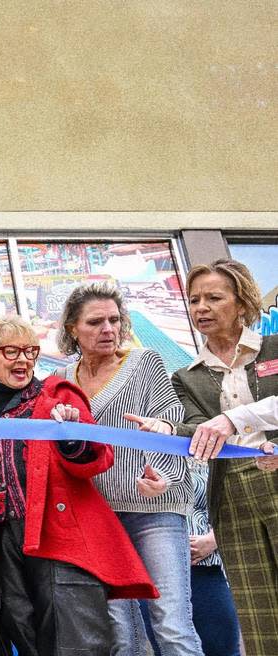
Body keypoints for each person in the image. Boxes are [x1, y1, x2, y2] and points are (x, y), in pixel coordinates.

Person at [0, 316, 157, 656]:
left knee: (78, 639)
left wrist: (72, 439)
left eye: (30, 351)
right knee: (24, 634)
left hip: (58, 534)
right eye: (11, 351)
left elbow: (98, 458)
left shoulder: (58, 396)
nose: (23, 359)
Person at [129, 258, 277, 655]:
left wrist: (233, 418)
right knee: (258, 614)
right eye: (194, 300)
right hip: (232, 496)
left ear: (242, 303)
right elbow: (197, 431)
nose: (201, 308)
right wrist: (166, 431)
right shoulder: (188, 376)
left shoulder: (274, 347)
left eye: (214, 297)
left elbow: (225, 423)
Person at [51, 283, 201, 655]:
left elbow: (171, 421)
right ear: (72, 328)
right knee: (118, 632)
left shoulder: (145, 361)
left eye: (115, 320)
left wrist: (164, 479)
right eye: (95, 321)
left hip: (156, 511)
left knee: (171, 624)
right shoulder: (62, 380)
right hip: (99, 517)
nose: (108, 329)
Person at [186, 461, 240, 656]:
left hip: (207, 566)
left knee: (222, 649)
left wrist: (214, 539)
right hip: (156, 569)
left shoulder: (219, 449)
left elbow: (240, 500)